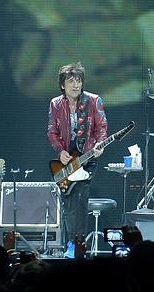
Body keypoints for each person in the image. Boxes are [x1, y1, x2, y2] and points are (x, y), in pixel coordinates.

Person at [47, 62, 108, 258]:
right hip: (65, 160)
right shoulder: (56, 103)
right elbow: (52, 131)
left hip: (87, 158)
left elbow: (101, 127)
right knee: (67, 203)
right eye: (71, 81)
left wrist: (99, 145)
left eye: (79, 81)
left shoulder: (93, 101)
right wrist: (60, 150)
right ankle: (70, 244)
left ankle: (78, 244)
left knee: (80, 198)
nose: (76, 85)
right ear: (62, 85)